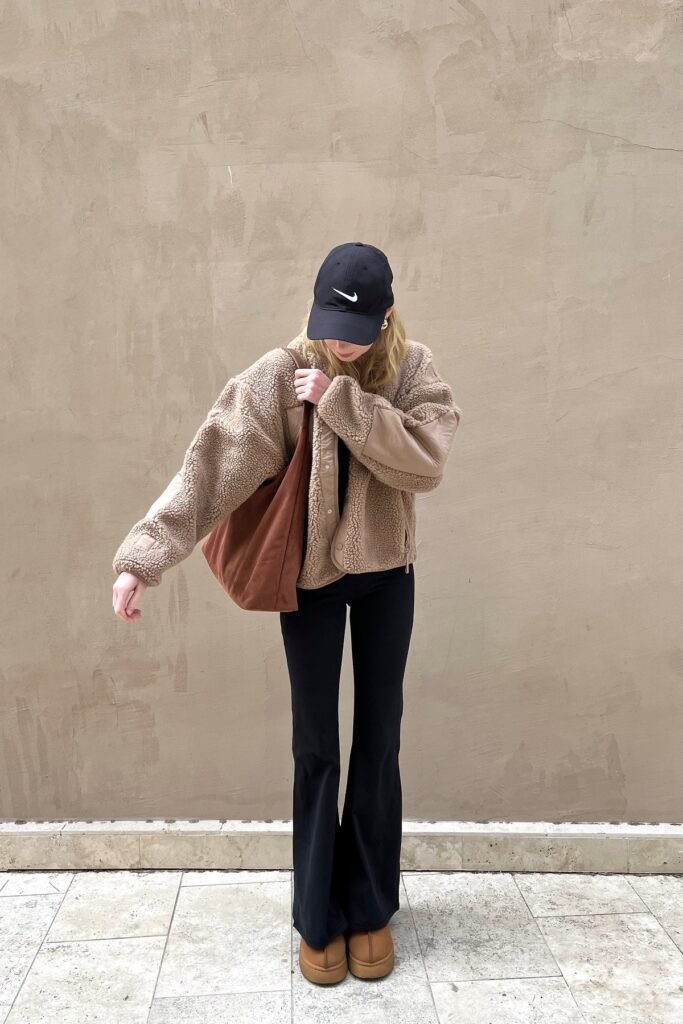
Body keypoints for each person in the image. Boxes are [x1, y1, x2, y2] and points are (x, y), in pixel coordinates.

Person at [112, 241, 462, 986]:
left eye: (355, 329)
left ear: (386, 316)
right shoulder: (279, 373)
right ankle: (317, 914)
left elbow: (425, 461)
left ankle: (369, 907)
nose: (339, 342)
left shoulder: (412, 370)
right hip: (310, 584)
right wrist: (143, 557)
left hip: (386, 580)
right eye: (330, 324)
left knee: (379, 740)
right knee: (316, 747)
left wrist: (339, 402)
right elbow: (212, 465)